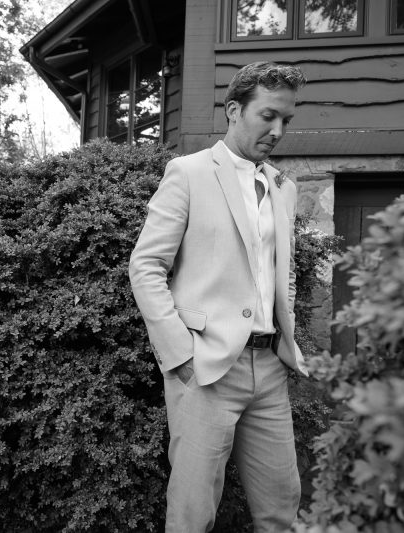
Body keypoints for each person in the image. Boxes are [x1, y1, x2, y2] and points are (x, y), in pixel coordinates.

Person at [128, 61, 308, 532]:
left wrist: (288, 342)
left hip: (269, 369)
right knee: (192, 513)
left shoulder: (282, 187)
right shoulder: (187, 173)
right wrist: (179, 356)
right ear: (233, 110)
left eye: (287, 120)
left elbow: (276, 274)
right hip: (204, 370)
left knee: (282, 506)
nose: (278, 130)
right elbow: (146, 266)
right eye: (268, 115)